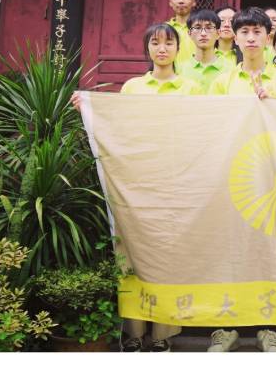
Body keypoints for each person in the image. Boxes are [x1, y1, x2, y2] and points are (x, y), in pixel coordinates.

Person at [72, 22, 199, 352]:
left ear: (178, 48)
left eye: (168, 43)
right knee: (131, 254)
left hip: (175, 182)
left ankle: (162, 334)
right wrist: (90, 109)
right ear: (147, 49)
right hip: (136, 183)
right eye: (155, 43)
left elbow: (203, 130)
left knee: (169, 255)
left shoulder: (191, 88)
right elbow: (118, 126)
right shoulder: (133, 87)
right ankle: (133, 332)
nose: (162, 49)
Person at [207, 7, 276, 354]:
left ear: (268, 37)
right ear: (234, 37)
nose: (250, 38)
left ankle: (268, 328)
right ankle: (226, 327)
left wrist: (273, 106)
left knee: (270, 253)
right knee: (229, 251)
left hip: (273, 179)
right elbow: (209, 127)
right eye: (244, 32)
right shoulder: (222, 82)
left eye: (257, 32)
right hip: (232, 177)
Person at [179, 9, 234, 93]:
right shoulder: (180, 69)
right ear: (189, 33)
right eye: (197, 27)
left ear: (218, 33)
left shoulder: (231, 68)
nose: (203, 33)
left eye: (209, 28)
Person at [167, 0, 198, 69]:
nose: (181, 1)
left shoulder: (201, 29)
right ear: (170, 2)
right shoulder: (165, 28)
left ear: (193, 2)